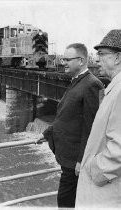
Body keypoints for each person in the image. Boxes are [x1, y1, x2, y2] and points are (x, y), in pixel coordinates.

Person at [36, 43, 104, 208]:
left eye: (67, 59)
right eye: (62, 59)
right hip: (68, 158)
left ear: (81, 61)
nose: (63, 62)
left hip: (75, 162)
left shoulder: (91, 84)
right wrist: (47, 133)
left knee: (65, 202)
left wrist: (81, 160)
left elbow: (92, 127)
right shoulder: (77, 81)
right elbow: (66, 116)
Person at [76, 30, 121, 208]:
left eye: (101, 54)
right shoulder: (115, 88)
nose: (96, 59)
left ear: (117, 57)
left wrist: (95, 169)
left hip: (104, 192)